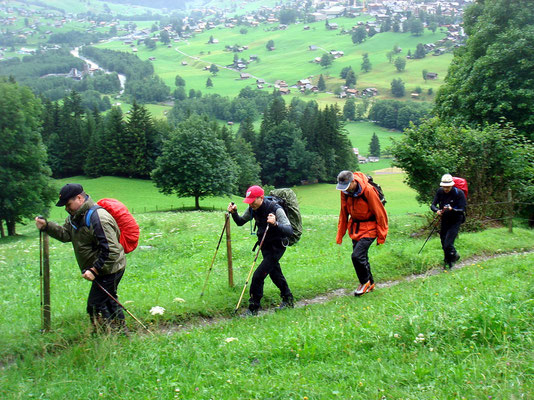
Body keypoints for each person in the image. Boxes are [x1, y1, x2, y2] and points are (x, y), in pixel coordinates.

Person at [35, 183, 127, 334]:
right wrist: (47, 226)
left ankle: (104, 336)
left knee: (95, 305)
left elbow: (112, 251)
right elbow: (66, 235)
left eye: (68, 204)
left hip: (111, 268)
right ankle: (119, 333)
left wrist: (94, 269)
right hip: (102, 268)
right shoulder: (75, 217)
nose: (66, 208)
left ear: (79, 198)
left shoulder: (98, 218)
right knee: (108, 300)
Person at [228, 185, 294, 315]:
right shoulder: (252, 209)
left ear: (261, 198)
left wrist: (275, 224)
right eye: (249, 201)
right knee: (275, 274)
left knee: (258, 276)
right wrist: (234, 213)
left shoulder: (275, 209)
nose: (251, 203)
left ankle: (253, 308)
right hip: (264, 246)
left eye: (253, 200)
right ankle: (288, 299)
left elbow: (289, 230)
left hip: (277, 246)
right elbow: (240, 222)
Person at [336, 171, 388, 296]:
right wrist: (340, 234)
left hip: (370, 227)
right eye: (343, 187)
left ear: (353, 181)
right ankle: (370, 284)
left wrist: (381, 235)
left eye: (347, 186)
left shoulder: (368, 191)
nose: (345, 190)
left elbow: (380, 213)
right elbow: (343, 213)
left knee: (357, 256)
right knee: (362, 257)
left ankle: (364, 282)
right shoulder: (345, 192)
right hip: (355, 228)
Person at [430, 174, 466, 269]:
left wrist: (452, 209)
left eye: (448, 187)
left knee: (448, 243)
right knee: (443, 241)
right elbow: (433, 205)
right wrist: (437, 210)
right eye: (444, 187)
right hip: (445, 219)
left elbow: (462, 209)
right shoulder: (440, 192)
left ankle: (454, 256)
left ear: (452, 185)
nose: (446, 189)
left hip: (456, 219)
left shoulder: (459, 193)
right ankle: (448, 262)